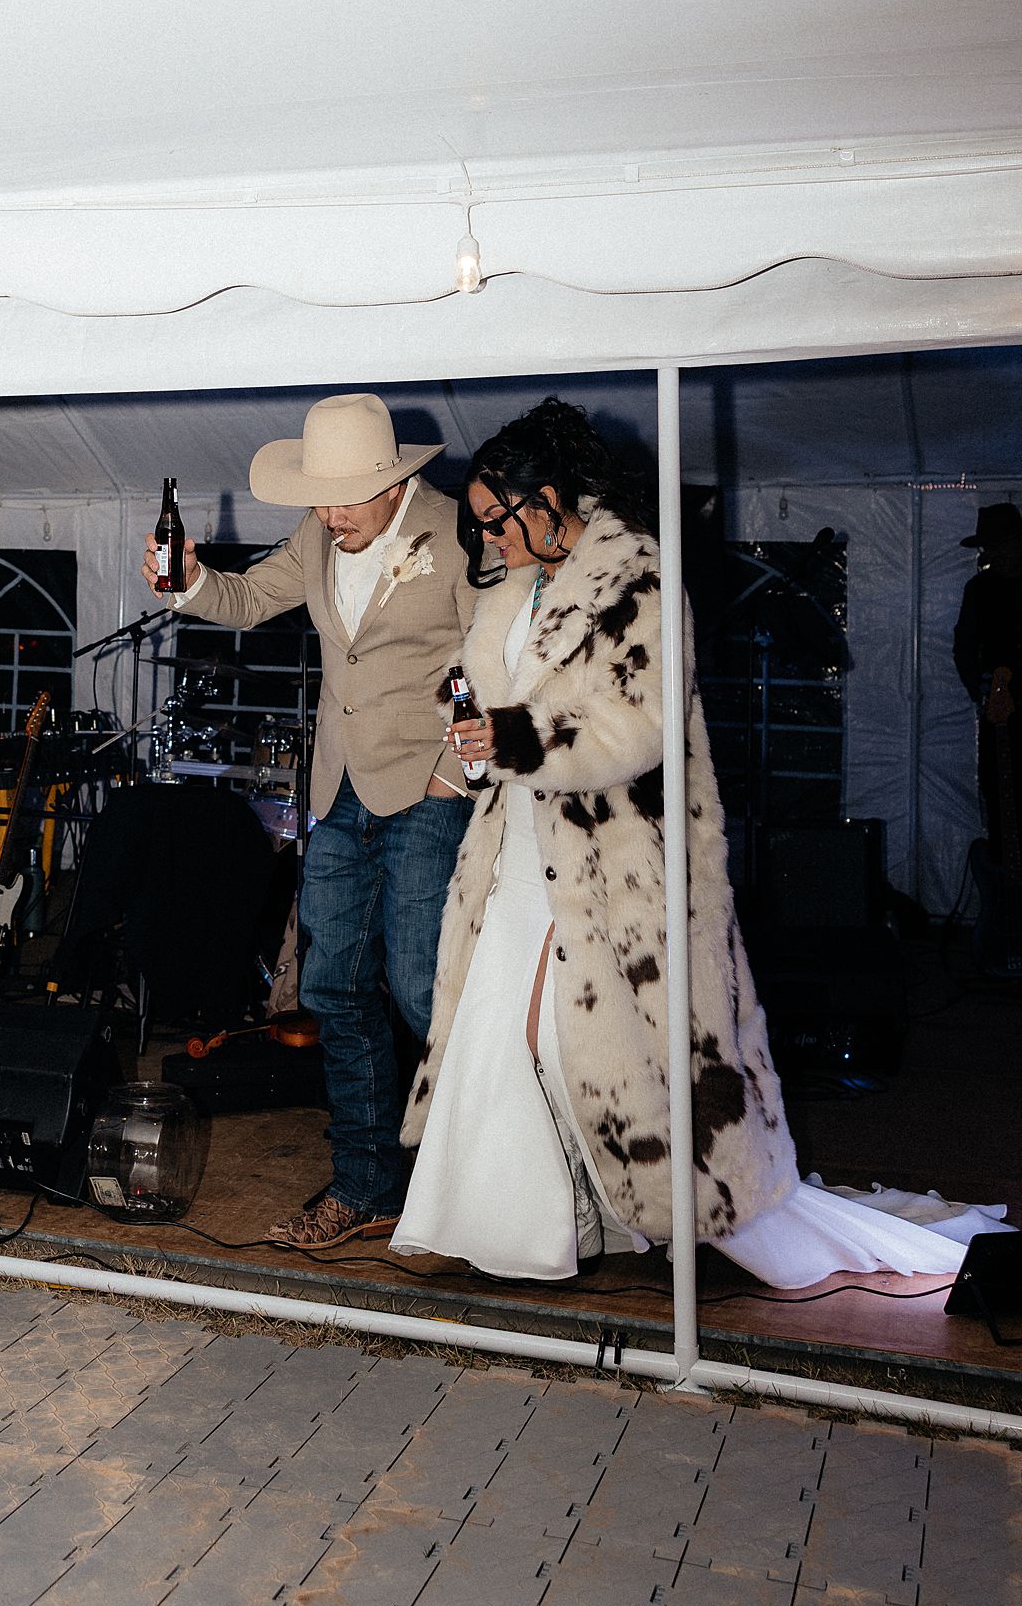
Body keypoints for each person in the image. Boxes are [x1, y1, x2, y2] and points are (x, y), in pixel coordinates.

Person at [394, 396, 993, 1288]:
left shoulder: (637, 577)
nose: (490, 539)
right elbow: (501, 703)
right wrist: (478, 740)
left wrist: (518, 739)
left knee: (596, 1047)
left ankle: (692, 1213)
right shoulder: (514, 587)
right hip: (518, 844)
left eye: (496, 519)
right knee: (494, 1029)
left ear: (548, 498)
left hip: (614, 857)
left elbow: (638, 727)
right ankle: (515, 1230)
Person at [144, 392, 475, 1252]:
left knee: (419, 988)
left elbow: (495, 657)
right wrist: (185, 583)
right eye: (317, 498)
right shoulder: (321, 535)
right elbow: (250, 597)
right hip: (339, 792)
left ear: (393, 480)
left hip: (430, 790)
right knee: (333, 988)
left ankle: (463, 1185)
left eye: (343, 497)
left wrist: (457, 773)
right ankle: (367, 1186)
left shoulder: (459, 533)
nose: (328, 515)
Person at [953, 501, 1022, 869]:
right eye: (989, 547)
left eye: (999, 545)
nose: (992, 554)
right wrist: (978, 691)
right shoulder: (979, 589)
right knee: (998, 803)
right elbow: (962, 646)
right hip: (999, 719)